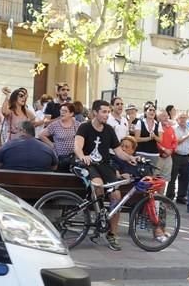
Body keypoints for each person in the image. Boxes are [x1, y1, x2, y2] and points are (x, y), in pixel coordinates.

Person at [74, 100, 139, 251]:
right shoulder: (85, 127)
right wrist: (82, 156)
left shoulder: (109, 129)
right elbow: (77, 146)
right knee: (98, 185)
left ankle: (112, 234)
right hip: (89, 164)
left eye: (108, 112)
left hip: (104, 165)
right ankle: (100, 216)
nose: (106, 115)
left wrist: (131, 158)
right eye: (104, 112)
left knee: (116, 196)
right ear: (95, 112)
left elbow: (118, 151)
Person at [45, 103, 79, 171]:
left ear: (71, 114)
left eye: (65, 111)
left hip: (73, 159)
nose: (62, 113)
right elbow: (41, 135)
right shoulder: (55, 125)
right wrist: (52, 144)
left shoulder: (77, 124)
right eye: (61, 111)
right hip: (59, 159)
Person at [168, 110, 189, 204]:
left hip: (186, 156)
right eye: (181, 118)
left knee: (184, 178)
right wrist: (187, 136)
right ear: (177, 119)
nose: (183, 120)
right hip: (176, 155)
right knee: (172, 177)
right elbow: (176, 141)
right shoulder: (173, 129)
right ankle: (169, 196)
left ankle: (181, 196)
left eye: (185, 118)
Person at [156, 110, 177, 181]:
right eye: (163, 116)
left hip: (168, 157)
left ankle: (161, 193)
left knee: (164, 180)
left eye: (167, 116)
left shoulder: (170, 128)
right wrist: (163, 150)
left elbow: (174, 141)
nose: (166, 118)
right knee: (154, 178)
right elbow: (155, 141)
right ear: (158, 117)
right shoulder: (155, 127)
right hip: (158, 157)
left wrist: (171, 151)